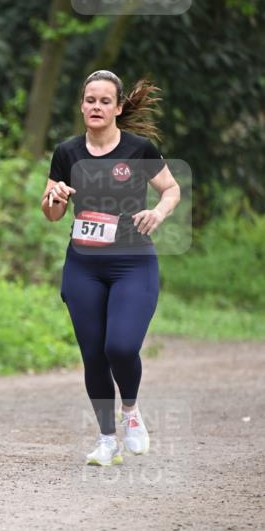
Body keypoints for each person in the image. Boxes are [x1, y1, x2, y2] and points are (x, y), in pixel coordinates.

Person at [42, 70, 180, 467]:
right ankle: (106, 439)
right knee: (93, 356)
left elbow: (171, 189)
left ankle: (132, 413)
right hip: (83, 265)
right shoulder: (67, 152)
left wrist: (158, 211)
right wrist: (55, 196)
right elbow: (51, 213)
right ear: (81, 105)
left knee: (119, 346)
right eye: (90, 100)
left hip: (132, 263)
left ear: (118, 108)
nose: (95, 107)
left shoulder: (139, 149)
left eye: (104, 101)